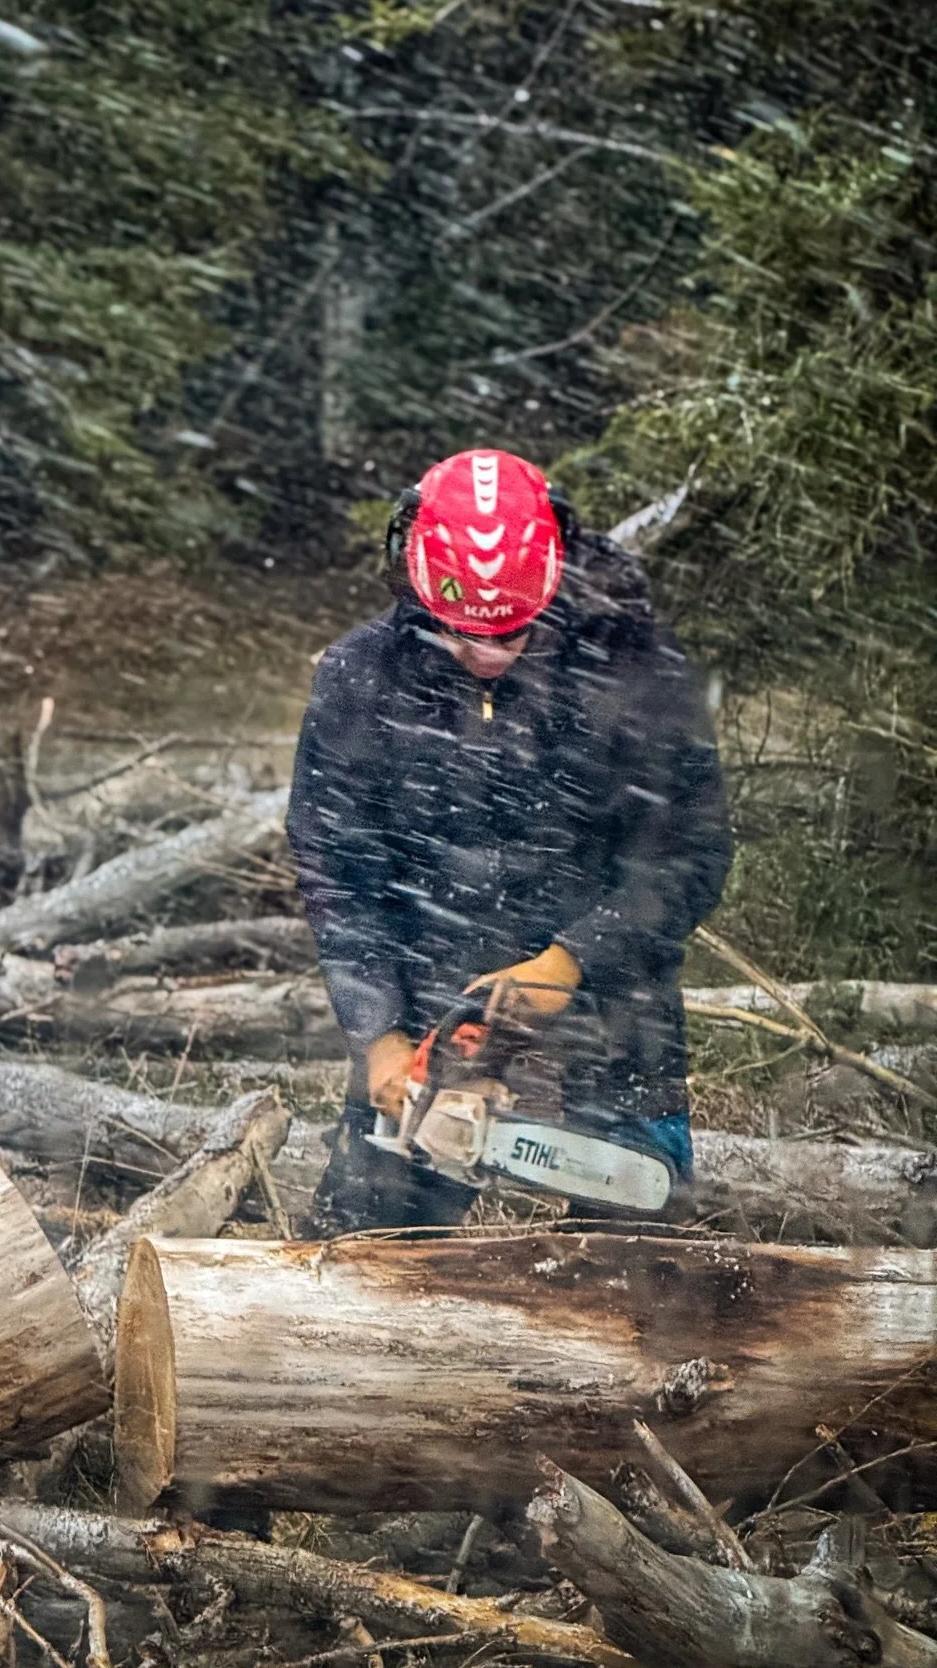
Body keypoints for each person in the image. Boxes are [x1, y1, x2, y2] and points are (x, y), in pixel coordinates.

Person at [287, 448, 732, 1234]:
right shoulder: (364, 677)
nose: (487, 654)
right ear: (413, 572)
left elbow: (690, 853)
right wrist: (382, 1036)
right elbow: (339, 873)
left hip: (616, 1003)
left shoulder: (635, 670)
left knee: (642, 1274)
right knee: (359, 1258)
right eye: (463, 634)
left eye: (510, 633)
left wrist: (573, 959)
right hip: (435, 987)